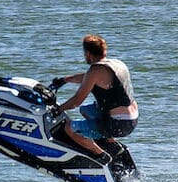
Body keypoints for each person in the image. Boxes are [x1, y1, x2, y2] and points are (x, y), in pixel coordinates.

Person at [48, 35, 138, 165]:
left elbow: (76, 101)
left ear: (88, 53)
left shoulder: (95, 71)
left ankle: (101, 156)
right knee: (85, 110)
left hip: (118, 124)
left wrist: (58, 109)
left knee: (69, 128)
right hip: (131, 118)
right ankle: (112, 144)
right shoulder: (116, 64)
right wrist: (64, 80)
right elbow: (86, 78)